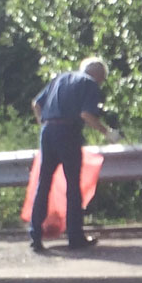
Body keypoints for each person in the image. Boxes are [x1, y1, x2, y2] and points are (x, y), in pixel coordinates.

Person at [29, 57, 122, 252]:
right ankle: (75, 237)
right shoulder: (89, 84)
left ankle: (35, 236)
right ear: (98, 75)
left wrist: (44, 124)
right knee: (73, 186)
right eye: (102, 79)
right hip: (68, 133)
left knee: (44, 183)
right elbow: (86, 115)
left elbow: (37, 104)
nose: (101, 83)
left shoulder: (60, 78)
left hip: (48, 131)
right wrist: (107, 133)